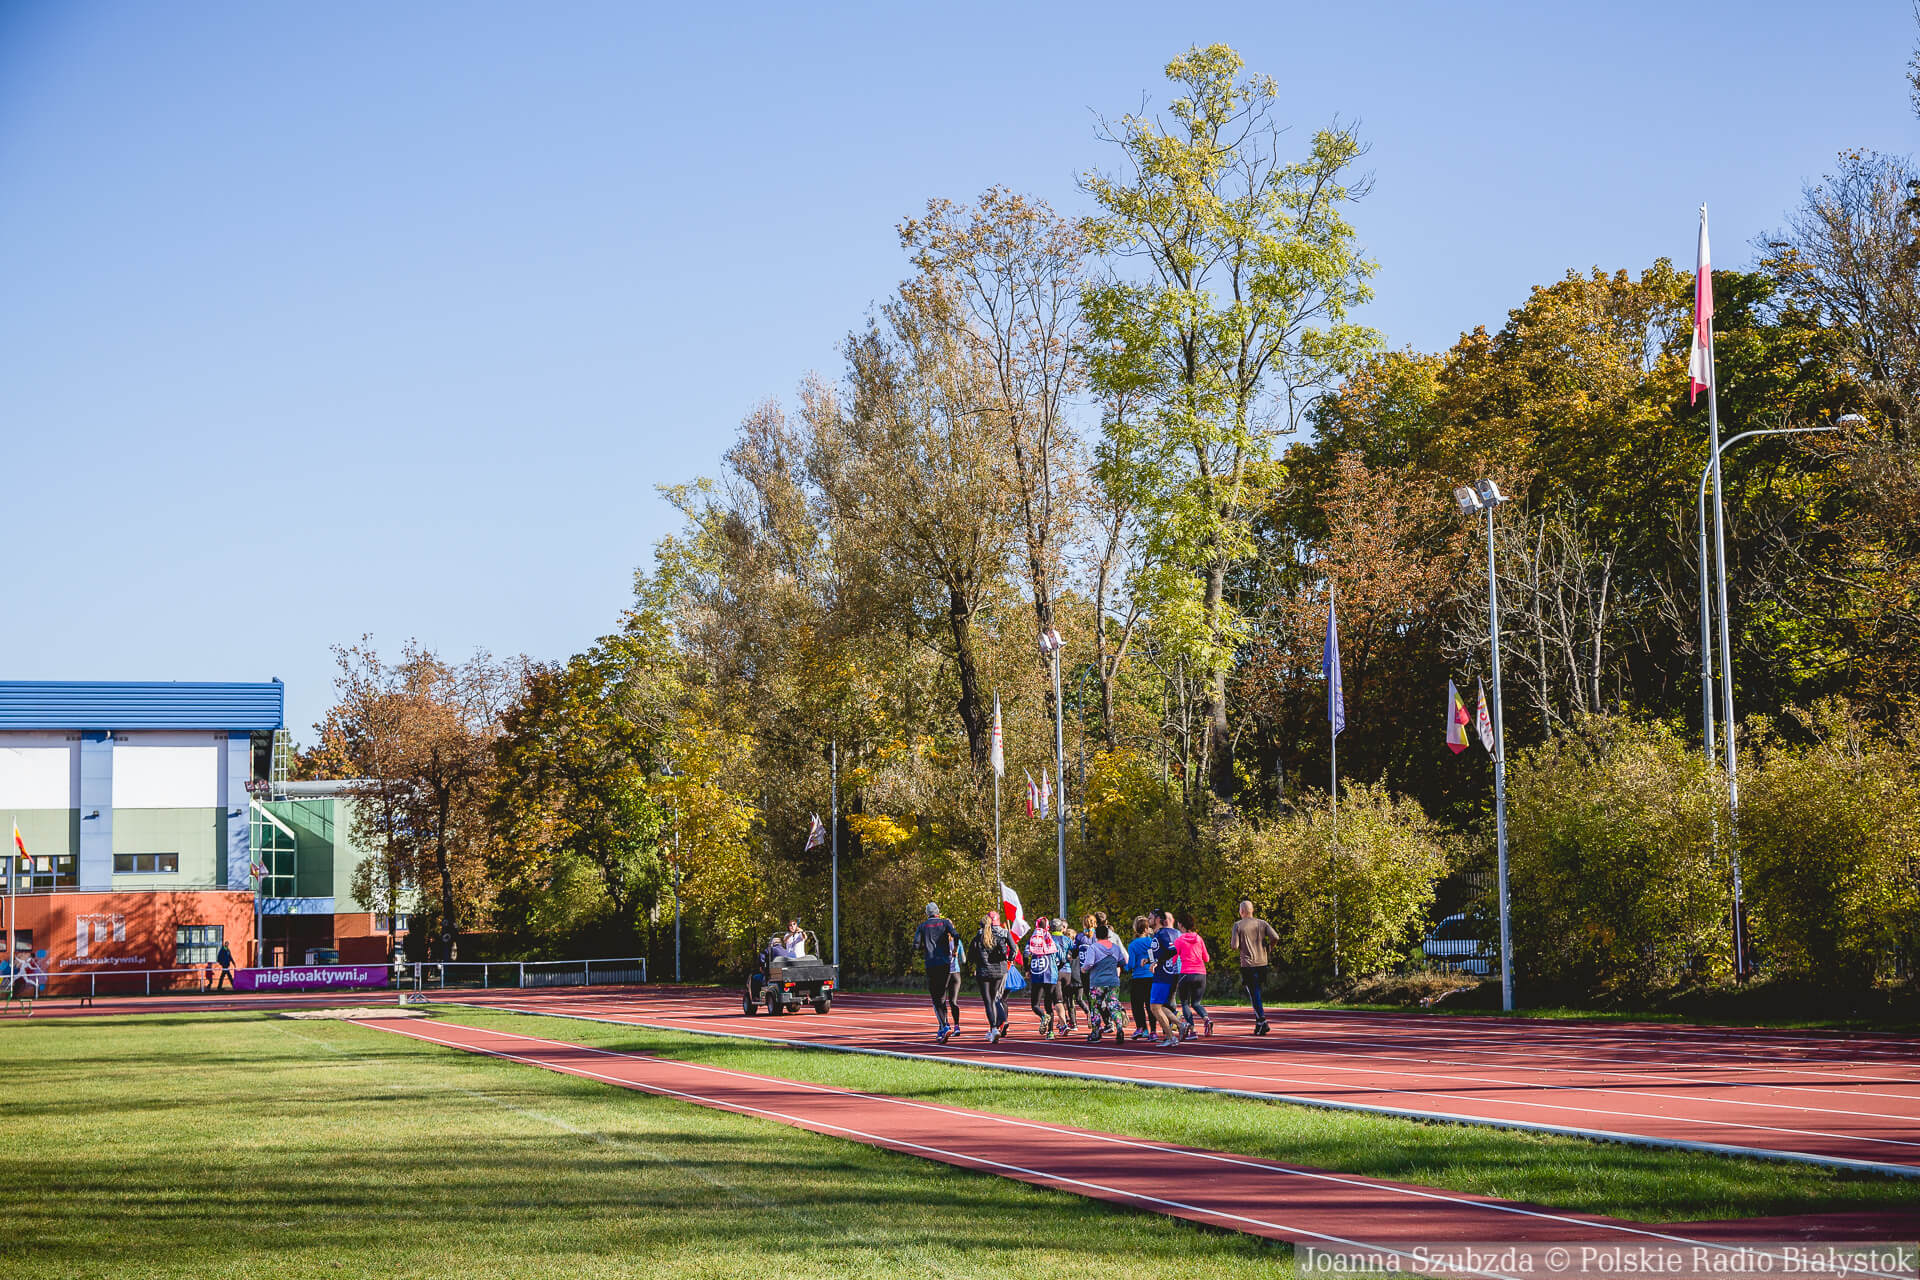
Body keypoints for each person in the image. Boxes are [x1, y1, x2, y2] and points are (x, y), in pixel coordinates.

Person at [914, 902, 964, 1043]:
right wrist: (955, 949)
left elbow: (916, 945)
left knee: (936, 998)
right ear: (938, 912)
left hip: (931, 964)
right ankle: (944, 1026)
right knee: (942, 995)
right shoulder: (945, 923)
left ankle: (944, 1025)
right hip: (945, 964)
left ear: (927, 913)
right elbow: (956, 935)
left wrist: (924, 947)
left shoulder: (922, 926)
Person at [1231, 899, 1281, 1036]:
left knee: (1254, 993)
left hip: (1248, 964)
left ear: (1241, 911)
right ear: (1252, 910)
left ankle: (1262, 1020)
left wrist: (1238, 942)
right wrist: (1269, 947)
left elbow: (1234, 946)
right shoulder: (1262, 923)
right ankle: (1259, 1023)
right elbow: (1275, 937)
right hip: (1262, 962)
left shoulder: (1238, 925)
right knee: (1256, 991)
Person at [1080, 916, 1128, 1044]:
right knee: (1113, 1005)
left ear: (1096, 936)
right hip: (1113, 981)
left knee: (1095, 1007)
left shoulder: (1094, 947)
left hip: (1097, 982)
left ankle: (1095, 1033)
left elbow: (1089, 963)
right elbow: (1122, 962)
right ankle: (1119, 1027)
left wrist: (1083, 970)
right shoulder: (1115, 948)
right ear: (1108, 935)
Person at [967, 912, 1013, 1044]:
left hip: (984, 972)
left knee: (988, 1002)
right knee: (994, 999)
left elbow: (970, 957)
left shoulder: (978, 938)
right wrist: (1004, 960)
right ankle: (997, 1025)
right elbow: (1005, 952)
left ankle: (993, 1028)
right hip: (998, 972)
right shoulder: (998, 937)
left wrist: (978, 960)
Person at [1147, 909, 1185, 1046]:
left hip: (1164, 975)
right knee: (1160, 1006)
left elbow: (1172, 950)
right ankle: (1180, 1025)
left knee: (1154, 1007)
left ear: (1158, 919)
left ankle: (1171, 1037)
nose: (1148, 920)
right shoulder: (1167, 933)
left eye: (1150, 917)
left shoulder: (1163, 934)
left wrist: (1158, 961)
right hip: (1169, 974)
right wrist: (1150, 960)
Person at [1173, 916, 1214, 1038]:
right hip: (1201, 974)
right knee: (1196, 1003)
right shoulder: (1199, 939)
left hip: (1186, 973)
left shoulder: (1179, 940)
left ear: (1182, 925)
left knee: (1185, 1003)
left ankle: (1193, 1030)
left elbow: (1173, 959)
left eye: (1178, 924)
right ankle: (1206, 1019)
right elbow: (1207, 958)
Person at [1023, 916, 1063, 1038]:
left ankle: (1043, 1016)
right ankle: (1050, 1032)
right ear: (1048, 927)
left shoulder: (1033, 939)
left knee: (1035, 1005)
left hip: (1037, 974)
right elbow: (1062, 958)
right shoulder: (1052, 940)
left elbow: (1026, 954)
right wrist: (1056, 969)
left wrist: (1027, 969)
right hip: (1051, 975)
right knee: (1048, 1004)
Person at [1125, 915, 1156, 1041]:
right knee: (1150, 1005)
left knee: (1137, 1005)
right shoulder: (1152, 942)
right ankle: (1153, 1031)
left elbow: (1131, 964)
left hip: (1138, 977)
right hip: (1151, 976)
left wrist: (1123, 966)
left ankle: (1141, 1028)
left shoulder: (1133, 945)